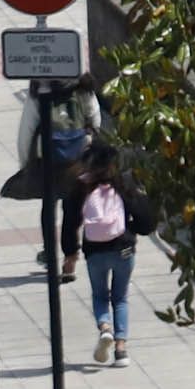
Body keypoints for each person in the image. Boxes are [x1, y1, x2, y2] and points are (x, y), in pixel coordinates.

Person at [75, 147, 144, 367]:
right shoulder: (124, 183)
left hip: (95, 250)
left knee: (100, 295)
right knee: (120, 297)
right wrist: (132, 229)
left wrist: (70, 250)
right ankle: (121, 349)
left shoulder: (82, 186)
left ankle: (105, 328)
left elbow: (70, 222)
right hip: (123, 249)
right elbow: (145, 216)